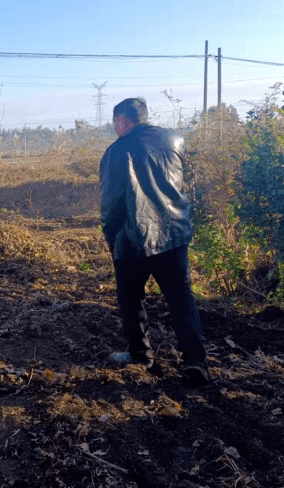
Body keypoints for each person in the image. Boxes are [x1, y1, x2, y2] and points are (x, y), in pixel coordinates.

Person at [99, 97, 209, 387]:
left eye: (115, 122)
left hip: (133, 237)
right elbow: (179, 184)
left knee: (130, 298)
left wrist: (111, 237)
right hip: (174, 234)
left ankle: (141, 356)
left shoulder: (116, 151)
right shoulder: (175, 141)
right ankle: (196, 361)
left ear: (122, 121)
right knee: (181, 296)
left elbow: (111, 204)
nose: (115, 127)